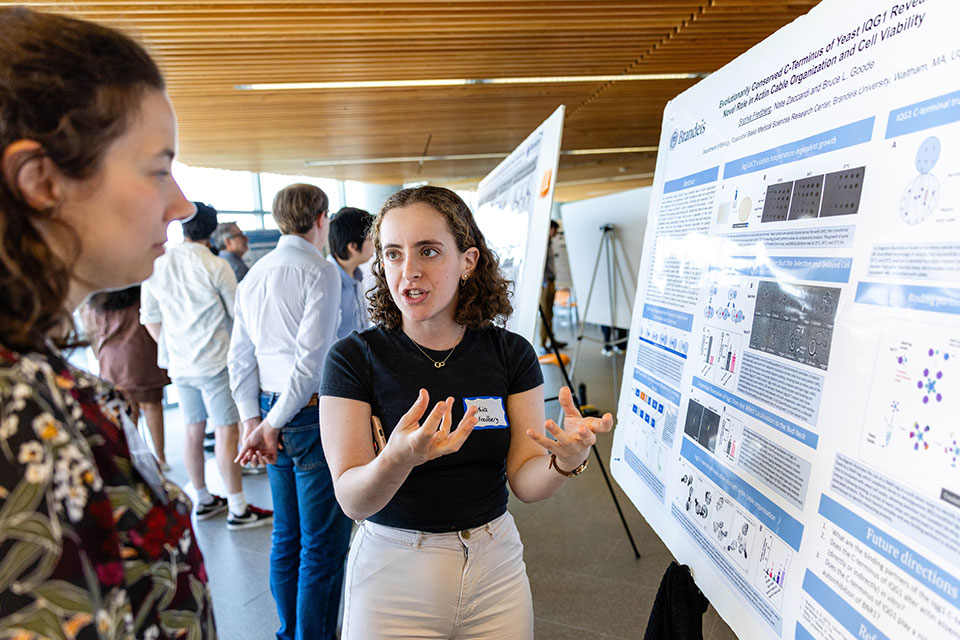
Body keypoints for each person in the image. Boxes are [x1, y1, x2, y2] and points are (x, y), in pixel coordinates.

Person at [0, 7, 215, 636]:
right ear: (42, 181)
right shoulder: (15, 412)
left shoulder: (35, 380)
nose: (182, 203)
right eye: (157, 169)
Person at [316, 186, 613, 639]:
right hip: (394, 573)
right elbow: (352, 499)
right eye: (393, 255)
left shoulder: (510, 353)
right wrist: (398, 459)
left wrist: (564, 462)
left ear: (468, 261)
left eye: (429, 251)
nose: (408, 271)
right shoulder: (354, 359)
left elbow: (525, 480)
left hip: (494, 565)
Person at [231, 184, 352, 640]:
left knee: (286, 538)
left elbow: (239, 358)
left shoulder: (254, 273)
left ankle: (289, 634)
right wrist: (269, 424)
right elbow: (311, 364)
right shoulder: (320, 271)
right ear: (321, 218)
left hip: (268, 410)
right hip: (305, 413)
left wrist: (253, 421)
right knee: (322, 545)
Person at [141, 202, 271, 530]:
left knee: (192, 430)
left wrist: (172, 347)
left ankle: (202, 499)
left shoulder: (157, 264)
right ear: (212, 232)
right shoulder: (215, 266)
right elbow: (239, 315)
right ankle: (238, 509)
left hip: (180, 365)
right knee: (227, 431)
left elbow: (150, 319)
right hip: (215, 361)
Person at [82, 285, 171, 469]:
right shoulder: (138, 294)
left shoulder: (95, 302)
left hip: (111, 362)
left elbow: (90, 333)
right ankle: (161, 458)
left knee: (126, 412)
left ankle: (133, 459)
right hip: (141, 355)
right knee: (152, 406)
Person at [328, 206, 375, 339]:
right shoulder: (327, 282)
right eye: (370, 239)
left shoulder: (356, 274)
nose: (374, 245)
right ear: (353, 247)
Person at [540, 219, 566, 350]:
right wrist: (544, 283)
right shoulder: (543, 244)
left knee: (550, 313)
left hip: (550, 281)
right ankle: (543, 343)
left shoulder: (549, 243)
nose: (556, 234)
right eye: (555, 230)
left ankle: (551, 339)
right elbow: (542, 266)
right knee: (545, 313)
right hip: (546, 283)